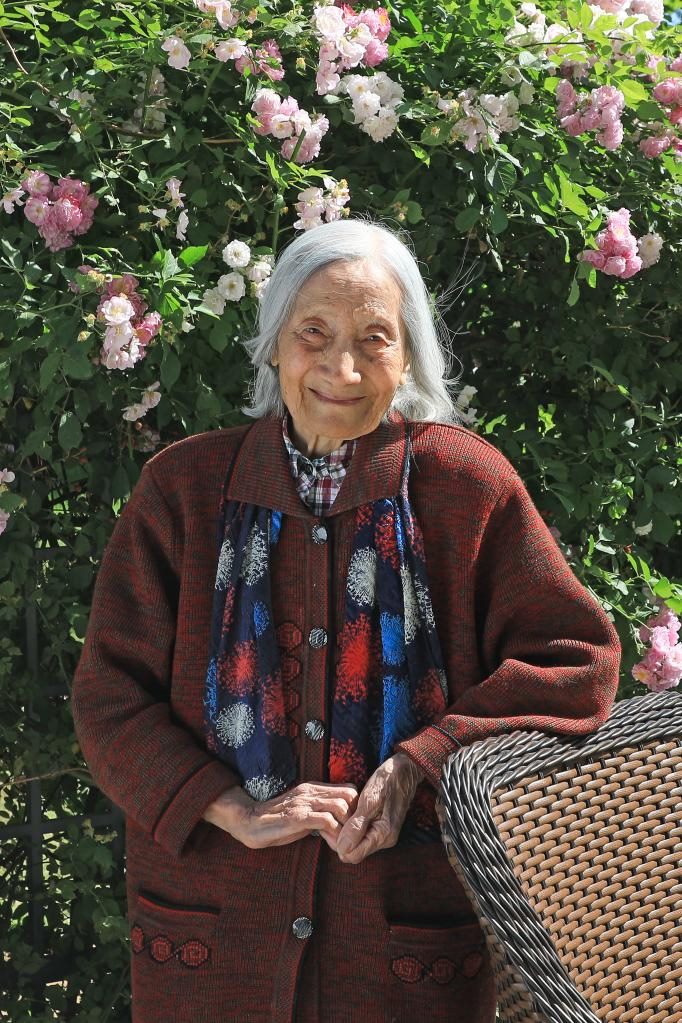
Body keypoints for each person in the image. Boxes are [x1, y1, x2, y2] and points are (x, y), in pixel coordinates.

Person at [71, 218, 621, 1023]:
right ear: (274, 345)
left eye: (374, 338)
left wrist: (421, 763)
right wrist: (230, 807)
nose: (343, 368)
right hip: (215, 942)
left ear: (408, 358)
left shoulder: (466, 487)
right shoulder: (182, 491)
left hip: (402, 950)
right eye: (314, 334)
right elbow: (109, 697)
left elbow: (575, 661)